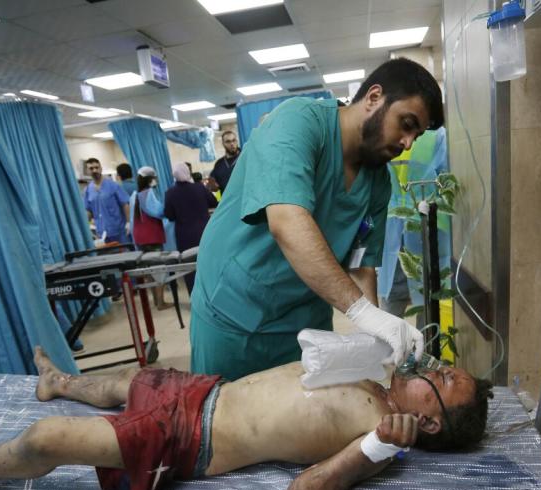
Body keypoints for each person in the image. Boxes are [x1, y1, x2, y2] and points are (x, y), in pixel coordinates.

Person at [0, 348, 493, 490]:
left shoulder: (380, 435)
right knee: (136, 378)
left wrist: (379, 446)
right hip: (207, 392)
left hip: (193, 439)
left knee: (48, 440)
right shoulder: (379, 375)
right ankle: (60, 381)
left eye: (440, 376)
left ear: (430, 418)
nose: (431, 365)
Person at [190, 58, 445, 381]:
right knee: (221, 416)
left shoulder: (377, 182)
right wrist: (363, 313)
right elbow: (286, 221)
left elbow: (360, 264)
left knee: (300, 419)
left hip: (304, 321)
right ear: (373, 97)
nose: (408, 142)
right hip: (234, 313)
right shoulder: (296, 123)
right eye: (406, 124)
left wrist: (377, 332)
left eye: (417, 136)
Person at [379, 127, 451, 321]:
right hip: (426, 225)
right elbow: (447, 180)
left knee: (392, 304)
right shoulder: (437, 137)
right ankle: (427, 349)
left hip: (392, 226)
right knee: (428, 299)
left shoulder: (384, 132)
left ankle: (392, 349)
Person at [164, 162, 218, 294]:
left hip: (184, 236)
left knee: (189, 269)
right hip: (205, 233)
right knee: (209, 265)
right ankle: (213, 295)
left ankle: (195, 298)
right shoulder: (199, 188)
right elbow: (214, 202)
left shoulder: (170, 193)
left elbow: (169, 216)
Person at [130, 166, 171, 310]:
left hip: (140, 238)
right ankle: (161, 303)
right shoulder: (148, 194)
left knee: (148, 270)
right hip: (152, 237)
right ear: (151, 179)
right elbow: (157, 211)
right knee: (159, 269)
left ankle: (155, 301)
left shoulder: (134, 195)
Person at [83, 158, 130, 245]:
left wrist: (128, 222)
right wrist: (87, 228)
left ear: (101, 168)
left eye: (97, 167)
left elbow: (125, 204)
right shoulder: (87, 190)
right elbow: (88, 210)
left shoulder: (113, 185)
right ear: (87, 171)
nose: (95, 170)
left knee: (125, 254)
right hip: (101, 233)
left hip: (118, 230)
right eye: (91, 168)